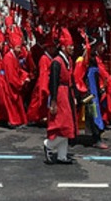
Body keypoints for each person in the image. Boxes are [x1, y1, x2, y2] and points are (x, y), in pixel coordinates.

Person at [43, 28, 77, 164]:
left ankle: (62, 155)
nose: (72, 48)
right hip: (61, 94)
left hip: (67, 93)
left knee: (67, 125)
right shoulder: (57, 62)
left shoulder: (68, 60)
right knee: (65, 125)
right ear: (63, 47)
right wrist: (54, 101)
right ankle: (49, 145)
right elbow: (53, 82)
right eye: (70, 46)